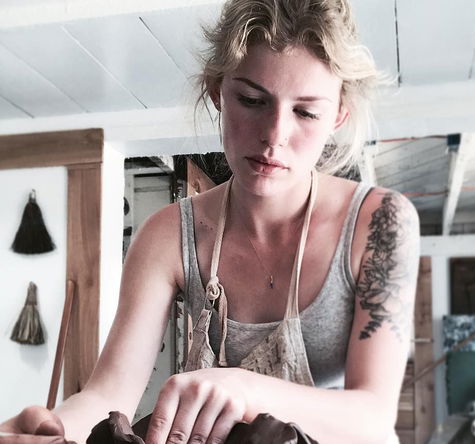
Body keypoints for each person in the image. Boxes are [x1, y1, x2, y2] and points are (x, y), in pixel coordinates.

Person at [0, 0, 420, 443]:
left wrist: (243, 387)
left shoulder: (379, 224)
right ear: (217, 91)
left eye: (305, 112)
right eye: (252, 100)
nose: (274, 135)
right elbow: (110, 394)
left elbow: (372, 417)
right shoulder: (168, 234)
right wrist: (49, 431)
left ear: (337, 115)